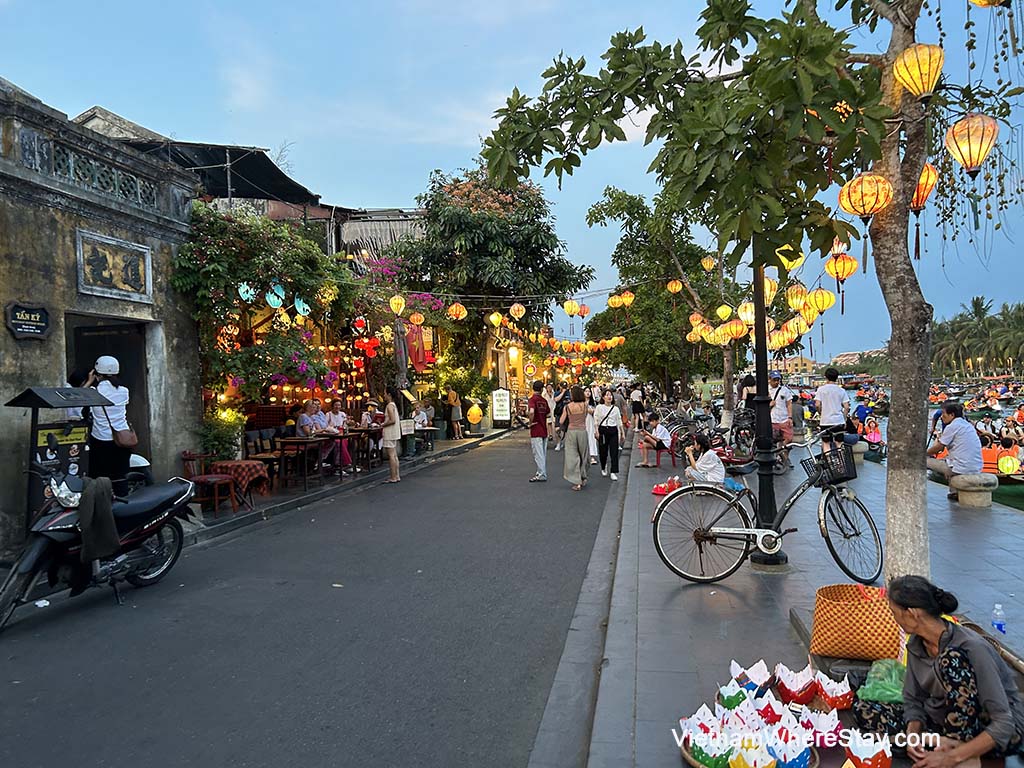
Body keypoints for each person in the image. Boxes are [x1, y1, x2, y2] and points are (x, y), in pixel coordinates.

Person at [854, 576, 1024, 761]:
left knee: (951, 659)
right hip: (942, 719)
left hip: (992, 728)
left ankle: (954, 748)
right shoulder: (917, 644)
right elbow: (912, 700)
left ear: (912, 613)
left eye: (894, 612)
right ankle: (933, 744)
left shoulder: (972, 647)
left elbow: (1003, 722)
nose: (893, 619)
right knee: (864, 707)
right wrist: (913, 735)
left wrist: (951, 757)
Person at [82, 356, 131, 496]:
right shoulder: (124, 391)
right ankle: (124, 509)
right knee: (120, 479)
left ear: (97, 374)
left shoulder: (93, 392)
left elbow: (77, 400)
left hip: (101, 441)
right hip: (122, 440)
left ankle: (104, 513)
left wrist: (90, 380)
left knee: (99, 480)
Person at [927, 403, 983, 499]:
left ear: (951, 415)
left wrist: (922, 453)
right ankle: (953, 492)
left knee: (921, 460)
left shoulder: (952, 426)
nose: (942, 417)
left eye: (944, 414)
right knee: (950, 461)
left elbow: (939, 447)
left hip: (961, 467)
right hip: (976, 466)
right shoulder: (967, 425)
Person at [560, 386, 590, 491]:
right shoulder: (585, 406)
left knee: (572, 456)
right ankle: (583, 477)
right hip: (582, 431)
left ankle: (577, 481)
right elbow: (586, 416)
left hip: (571, 432)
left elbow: (561, 421)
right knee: (583, 455)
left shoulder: (568, 407)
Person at [594, 388, 626, 480]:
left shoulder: (615, 408)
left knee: (614, 452)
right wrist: (596, 431)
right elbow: (596, 419)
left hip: (613, 430)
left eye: (610, 395)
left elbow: (619, 421)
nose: (609, 397)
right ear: (603, 397)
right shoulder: (599, 407)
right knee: (603, 451)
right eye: (607, 395)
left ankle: (613, 471)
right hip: (603, 430)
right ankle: (603, 466)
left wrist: (622, 433)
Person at [815, 367, 850, 447]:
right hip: (839, 421)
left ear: (826, 377)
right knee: (839, 443)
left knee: (826, 443)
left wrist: (821, 413)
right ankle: (841, 458)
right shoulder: (841, 390)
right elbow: (846, 407)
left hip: (825, 421)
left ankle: (829, 459)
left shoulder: (821, 390)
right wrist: (844, 418)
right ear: (836, 378)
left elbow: (817, 405)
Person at [769, 371, 795, 467]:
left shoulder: (784, 390)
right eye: (774, 380)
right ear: (770, 380)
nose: (776, 382)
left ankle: (784, 456)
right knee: (773, 440)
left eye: (778, 380)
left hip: (784, 419)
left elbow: (789, 404)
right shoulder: (767, 390)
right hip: (772, 419)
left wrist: (790, 417)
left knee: (789, 439)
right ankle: (781, 458)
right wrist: (770, 405)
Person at [527, 380, 550, 483]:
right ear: (542, 389)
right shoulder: (544, 401)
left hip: (536, 429)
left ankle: (541, 474)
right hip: (544, 429)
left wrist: (530, 422)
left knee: (538, 454)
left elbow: (531, 412)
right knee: (543, 454)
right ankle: (541, 472)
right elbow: (548, 414)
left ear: (533, 388)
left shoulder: (532, 400)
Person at [553, 382, 569, 451]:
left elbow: (570, 400)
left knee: (566, 430)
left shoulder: (569, 393)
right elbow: (556, 399)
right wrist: (562, 393)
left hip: (567, 413)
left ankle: (565, 443)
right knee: (557, 429)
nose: (564, 388)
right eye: (563, 387)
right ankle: (558, 443)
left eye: (565, 387)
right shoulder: (557, 393)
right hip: (559, 413)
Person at [585, 387, 599, 466]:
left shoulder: (593, 403)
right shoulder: (581, 402)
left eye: (589, 391)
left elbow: (594, 412)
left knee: (591, 438)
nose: (588, 393)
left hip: (591, 422)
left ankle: (592, 456)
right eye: (586, 391)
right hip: (583, 422)